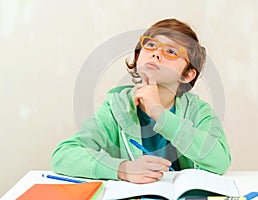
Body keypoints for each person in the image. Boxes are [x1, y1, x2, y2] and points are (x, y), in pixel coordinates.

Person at [51, 18, 231, 184]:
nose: (156, 53)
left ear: (187, 74)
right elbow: (63, 155)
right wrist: (122, 169)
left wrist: (160, 114)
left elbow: (220, 160)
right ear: (138, 57)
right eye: (151, 45)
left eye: (171, 51)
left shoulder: (198, 111)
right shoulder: (116, 108)